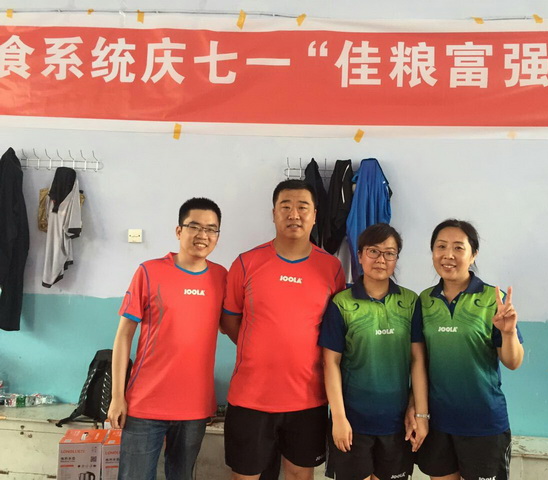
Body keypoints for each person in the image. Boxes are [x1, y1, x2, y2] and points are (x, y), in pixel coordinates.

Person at [220, 179, 346, 480]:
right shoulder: (247, 263)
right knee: (246, 476)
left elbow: (334, 334)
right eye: (285, 207)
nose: (294, 214)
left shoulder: (331, 268)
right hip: (250, 398)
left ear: (315, 215)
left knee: (300, 474)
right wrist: (259, 347)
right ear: (274, 213)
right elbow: (229, 320)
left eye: (303, 207)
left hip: (308, 399)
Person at [107, 197, 227, 480]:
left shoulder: (221, 277)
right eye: (194, 226)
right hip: (144, 404)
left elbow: (233, 327)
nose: (203, 235)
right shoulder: (149, 271)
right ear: (179, 230)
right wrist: (117, 397)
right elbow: (124, 335)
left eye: (211, 229)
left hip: (194, 408)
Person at [412, 219, 524, 480]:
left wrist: (508, 333)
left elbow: (513, 362)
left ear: (473, 254)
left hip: (484, 423)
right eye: (441, 246)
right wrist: (420, 414)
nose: (448, 255)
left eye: (458, 248)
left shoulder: (492, 299)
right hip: (439, 423)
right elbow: (419, 362)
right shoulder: (425, 300)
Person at [319, 223, 429, 480]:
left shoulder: (410, 302)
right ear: (359, 255)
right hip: (353, 422)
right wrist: (339, 418)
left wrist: (420, 413)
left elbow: (418, 360)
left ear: (396, 258)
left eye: (389, 253)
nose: (381, 259)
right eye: (373, 251)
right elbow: (330, 363)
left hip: (397, 423)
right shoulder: (342, 303)